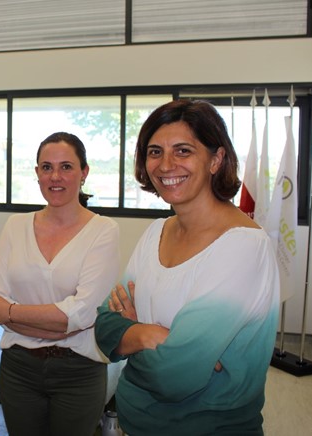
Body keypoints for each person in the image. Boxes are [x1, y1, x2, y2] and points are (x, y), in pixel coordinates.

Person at [95, 99, 280, 435]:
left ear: (216, 159)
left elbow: (174, 376)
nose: (166, 165)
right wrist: (154, 336)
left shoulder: (242, 247)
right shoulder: (156, 232)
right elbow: (104, 324)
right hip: (136, 422)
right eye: (154, 152)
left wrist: (132, 335)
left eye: (183, 150)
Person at [0, 132, 121, 436]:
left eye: (66, 167)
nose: (55, 176)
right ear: (37, 173)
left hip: (79, 372)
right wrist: (62, 323)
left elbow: (83, 315)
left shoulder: (103, 231)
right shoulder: (15, 226)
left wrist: (12, 312)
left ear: (84, 173)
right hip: (19, 369)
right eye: (46, 167)